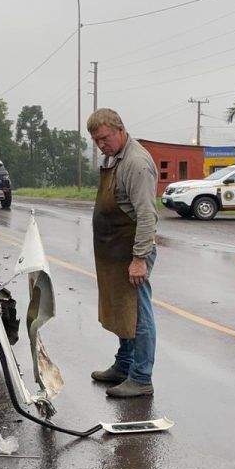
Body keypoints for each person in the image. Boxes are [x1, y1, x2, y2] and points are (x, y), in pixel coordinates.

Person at [87, 109, 160, 398]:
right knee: (122, 310)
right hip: (116, 251)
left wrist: (139, 259)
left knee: (139, 314)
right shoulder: (114, 157)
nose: (101, 145)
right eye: (96, 141)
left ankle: (141, 377)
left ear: (120, 129)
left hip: (133, 251)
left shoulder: (136, 163)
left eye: (104, 138)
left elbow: (147, 215)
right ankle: (124, 365)